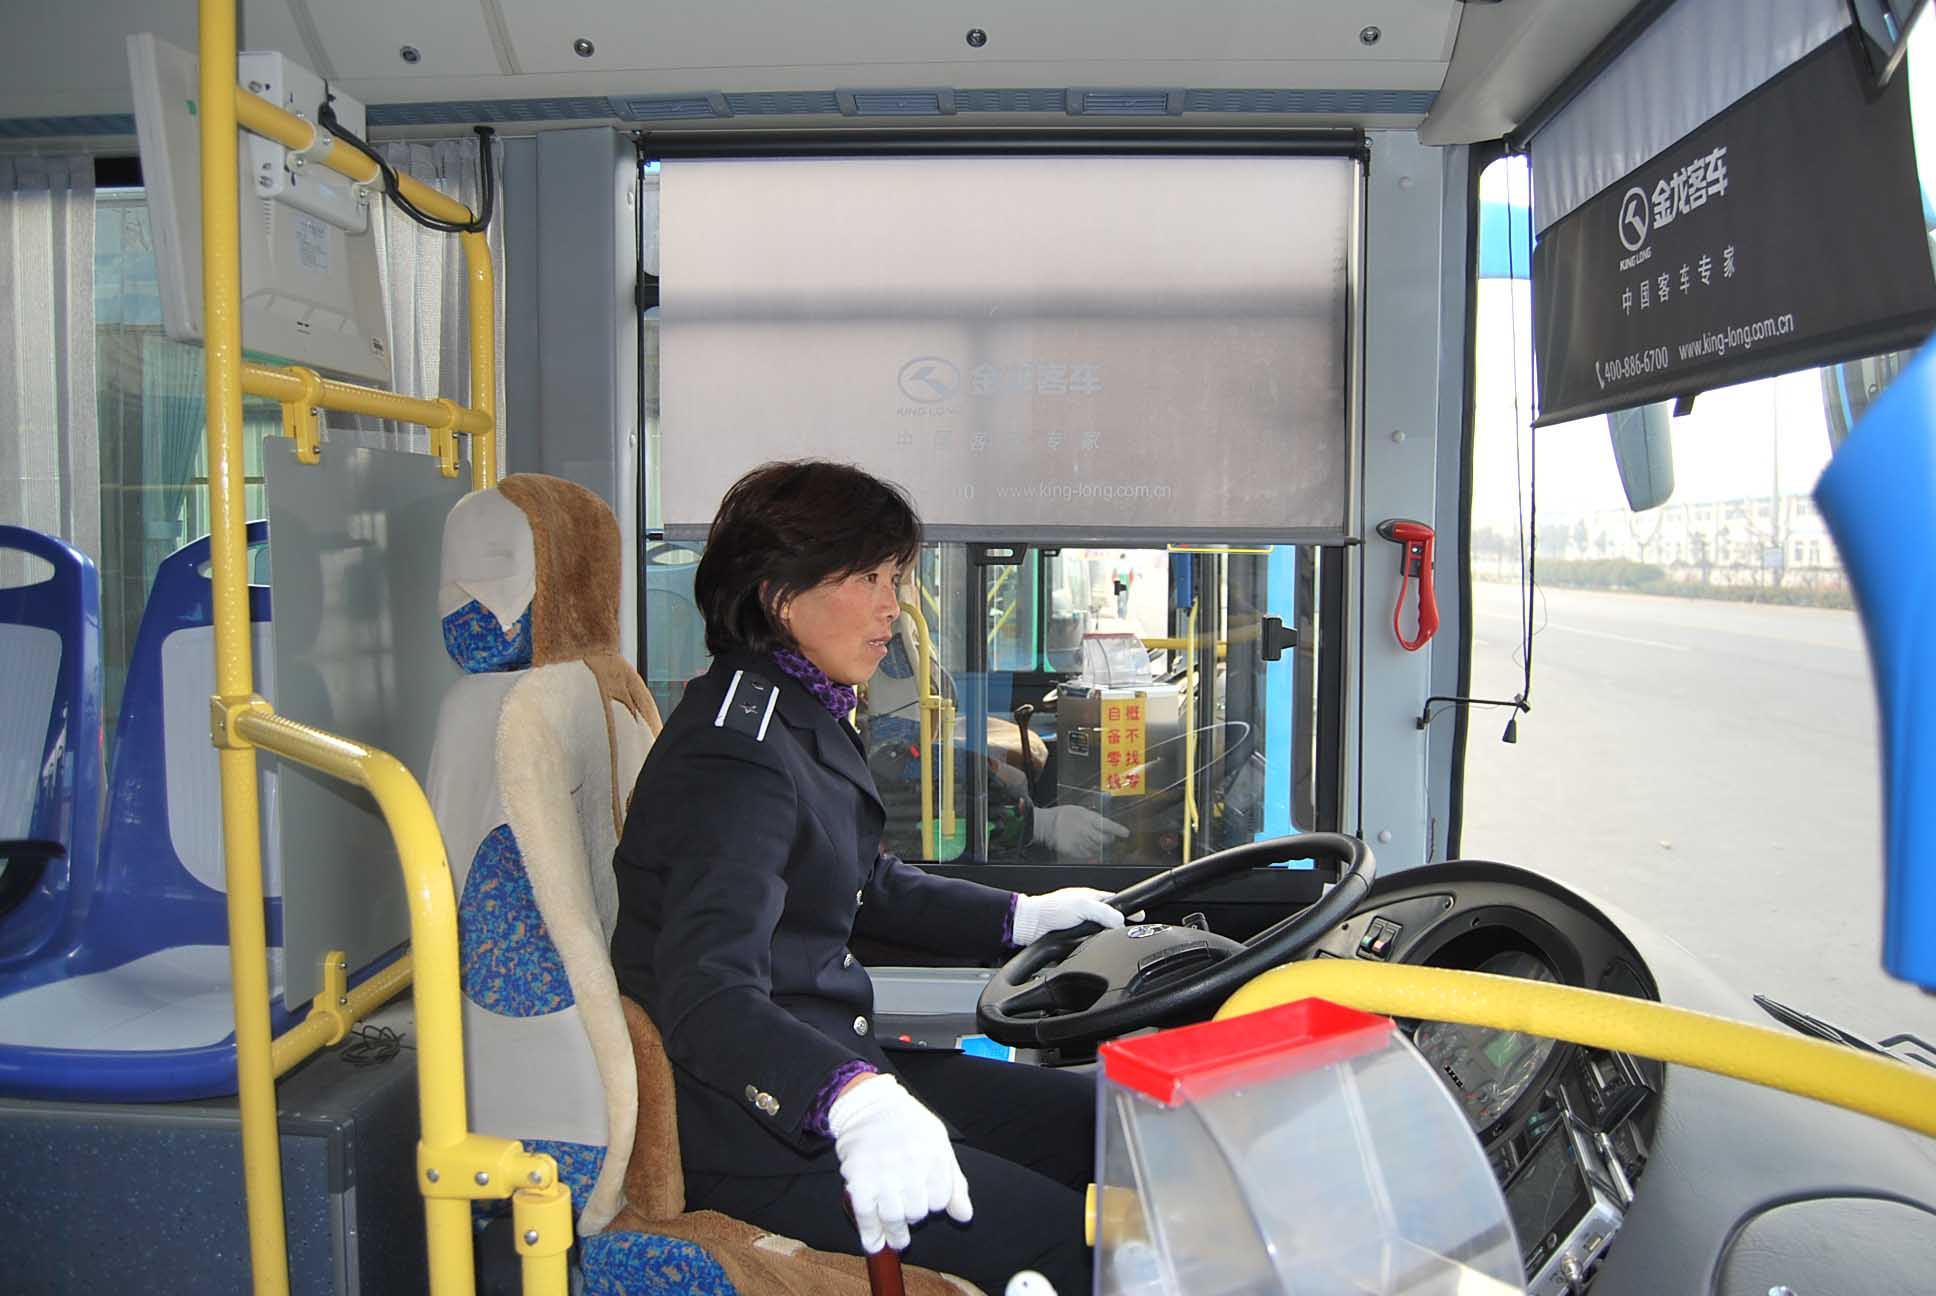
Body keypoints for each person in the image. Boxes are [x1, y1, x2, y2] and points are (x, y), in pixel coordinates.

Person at [610, 460, 1114, 1294]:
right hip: (764, 1126)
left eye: (896, 578)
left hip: (840, 1062)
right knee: (1078, 1244)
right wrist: (849, 1100)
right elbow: (707, 994)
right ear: (781, 596)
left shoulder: (800, 709)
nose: (893, 606)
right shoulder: (735, 755)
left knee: (1112, 1132)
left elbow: (863, 883)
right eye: (870, 578)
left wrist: (1023, 917)